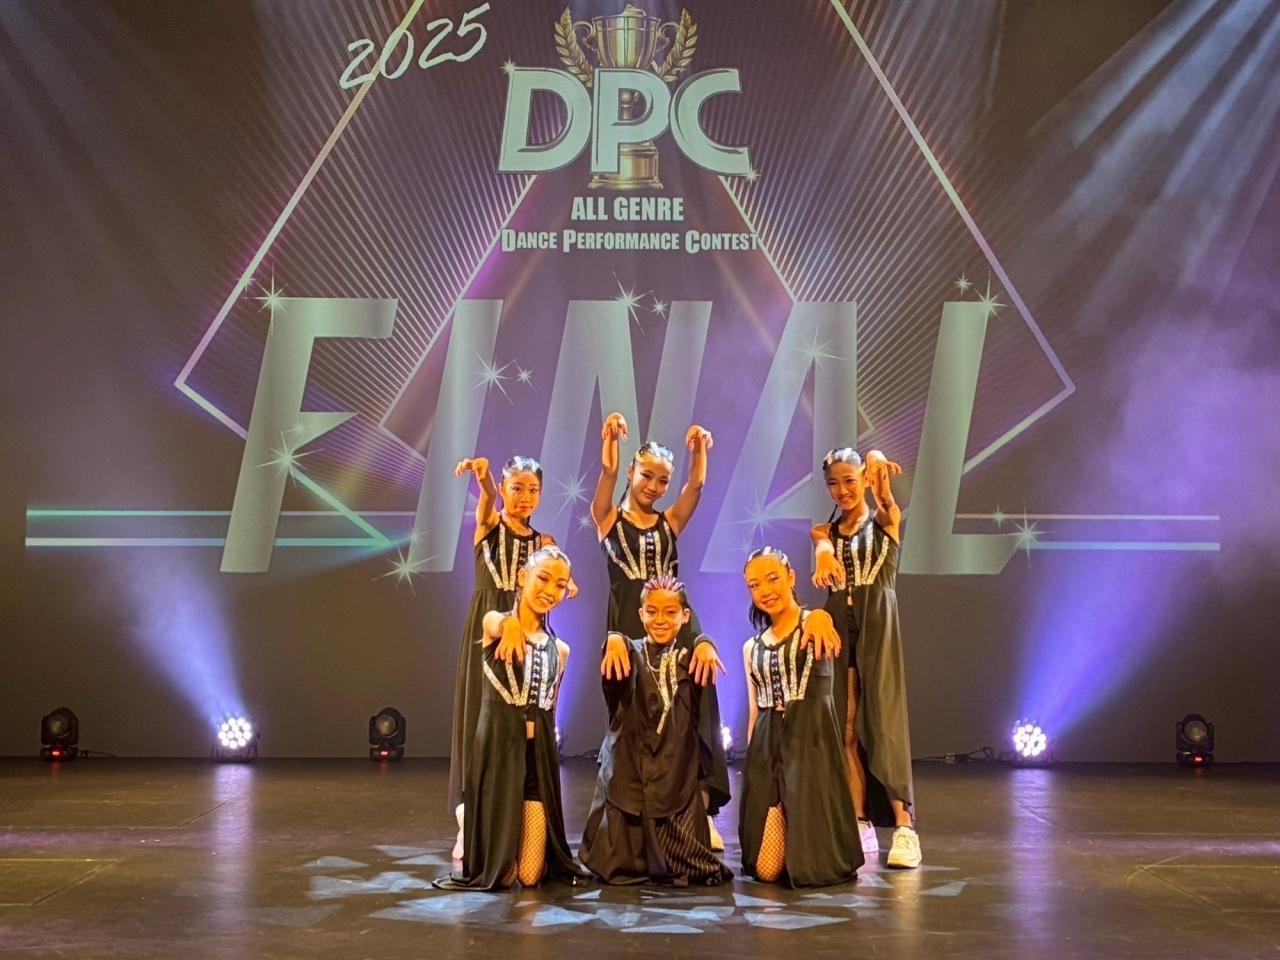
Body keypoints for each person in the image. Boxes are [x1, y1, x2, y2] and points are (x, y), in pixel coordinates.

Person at [589, 412, 730, 847]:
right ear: (632, 471)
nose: (653, 486)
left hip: (677, 628)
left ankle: (700, 809)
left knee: (692, 714)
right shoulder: (608, 519)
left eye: (662, 480)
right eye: (646, 475)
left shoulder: (670, 523)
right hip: (628, 630)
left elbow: (697, 486)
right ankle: (632, 814)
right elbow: (607, 472)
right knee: (633, 722)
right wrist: (611, 439)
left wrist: (699, 449)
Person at [435, 546, 588, 890]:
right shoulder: (495, 624)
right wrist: (511, 622)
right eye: (543, 578)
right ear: (522, 577)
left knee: (530, 877)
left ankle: (513, 828)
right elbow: (492, 621)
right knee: (501, 876)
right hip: (499, 758)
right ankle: (478, 821)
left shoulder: (560, 649)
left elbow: (550, 708)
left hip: (536, 763)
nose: (550, 590)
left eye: (560, 584)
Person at [447, 455, 574, 860]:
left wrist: (567, 585)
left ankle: (519, 810)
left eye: (533, 490)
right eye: (516, 488)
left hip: (529, 627)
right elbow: (486, 500)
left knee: (519, 718)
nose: (524, 497)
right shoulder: (489, 525)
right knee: (479, 716)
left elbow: (563, 577)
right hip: (490, 623)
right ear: (504, 488)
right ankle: (468, 815)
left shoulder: (544, 541)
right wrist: (484, 478)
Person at [579, 576, 733, 886]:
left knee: (691, 868)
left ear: (684, 616)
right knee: (621, 866)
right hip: (629, 775)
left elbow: (703, 731)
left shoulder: (691, 660)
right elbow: (615, 680)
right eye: (651, 612)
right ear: (641, 614)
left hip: (674, 777)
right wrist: (614, 637)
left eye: (670, 612)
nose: (660, 620)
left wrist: (704, 640)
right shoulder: (628, 652)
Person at [811, 447, 919, 869]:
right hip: (839, 624)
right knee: (846, 723)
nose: (842, 490)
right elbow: (822, 545)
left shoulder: (885, 520)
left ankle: (905, 827)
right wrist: (824, 555)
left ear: (865, 480)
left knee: (884, 722)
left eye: (849, 481)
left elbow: (887, 499)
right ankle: (859, 821)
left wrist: (874, 458)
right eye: (833, 484)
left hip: (877, 620)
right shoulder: (824, 530)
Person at [739, 547, 863, 887]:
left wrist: (821, 615)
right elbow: (755, 710)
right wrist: (754, 770)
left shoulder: (815, 624)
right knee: (766, 872)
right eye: (754, 585)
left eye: (772, 579)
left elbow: (825, 626)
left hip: (809, 745)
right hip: (768, 749)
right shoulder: (751, 647)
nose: (765, 590)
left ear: (791, 577)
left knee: (811, 868)